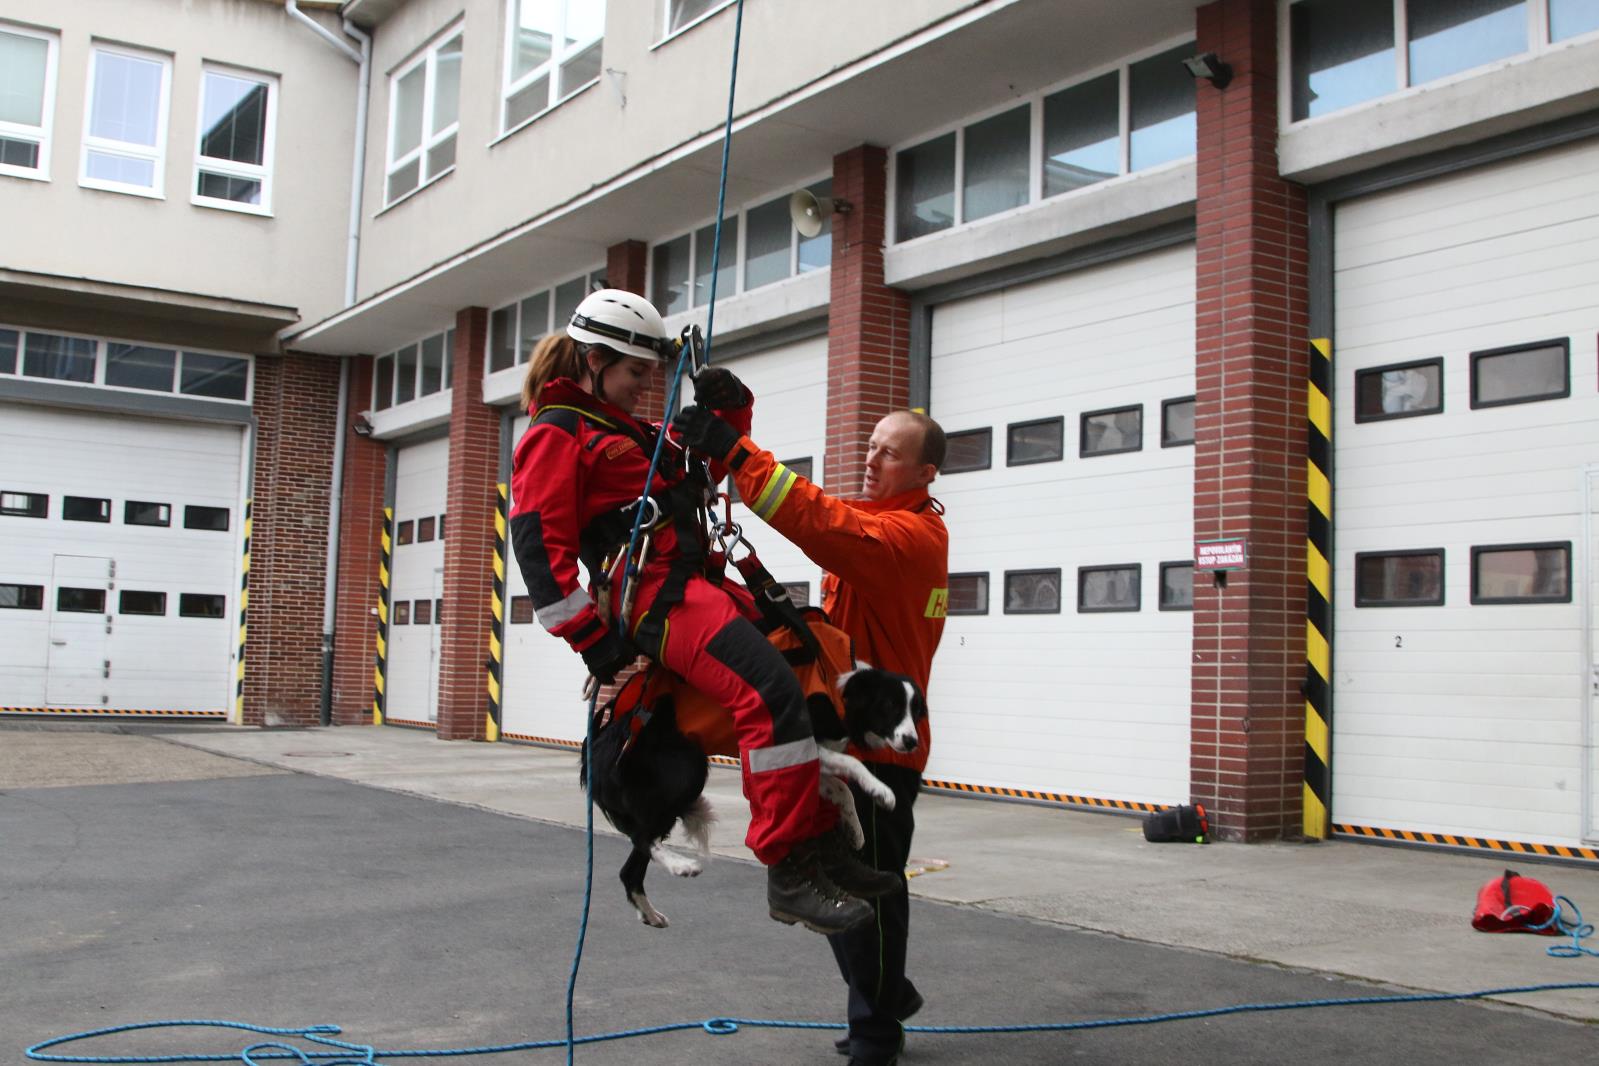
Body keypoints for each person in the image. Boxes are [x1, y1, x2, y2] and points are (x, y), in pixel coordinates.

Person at [508, 289, 897, 937]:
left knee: (803, 672)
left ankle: (819, 844)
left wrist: (731, 411)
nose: (642, 387)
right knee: (767, 695)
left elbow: (701, 468)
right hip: (655, 599)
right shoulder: (557, 433)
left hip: (693, 585)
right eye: (635, 373)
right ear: (596, 360)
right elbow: (536, 551)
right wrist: (594, 644)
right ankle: (788, 868)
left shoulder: (626, 432)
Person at [674, 401, 949, 1066]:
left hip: (880, 754)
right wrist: (723, 437)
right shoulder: (880, 524)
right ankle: (887, 995)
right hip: (845, 741)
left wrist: (737, 454)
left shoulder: (908, 539)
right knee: (837, 884)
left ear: (925, 472)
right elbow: (821, 517)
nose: (871, 458)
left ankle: (877, 1029)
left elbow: (816, 520)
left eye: (889, 452)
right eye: (872, 445)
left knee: (867, 889)